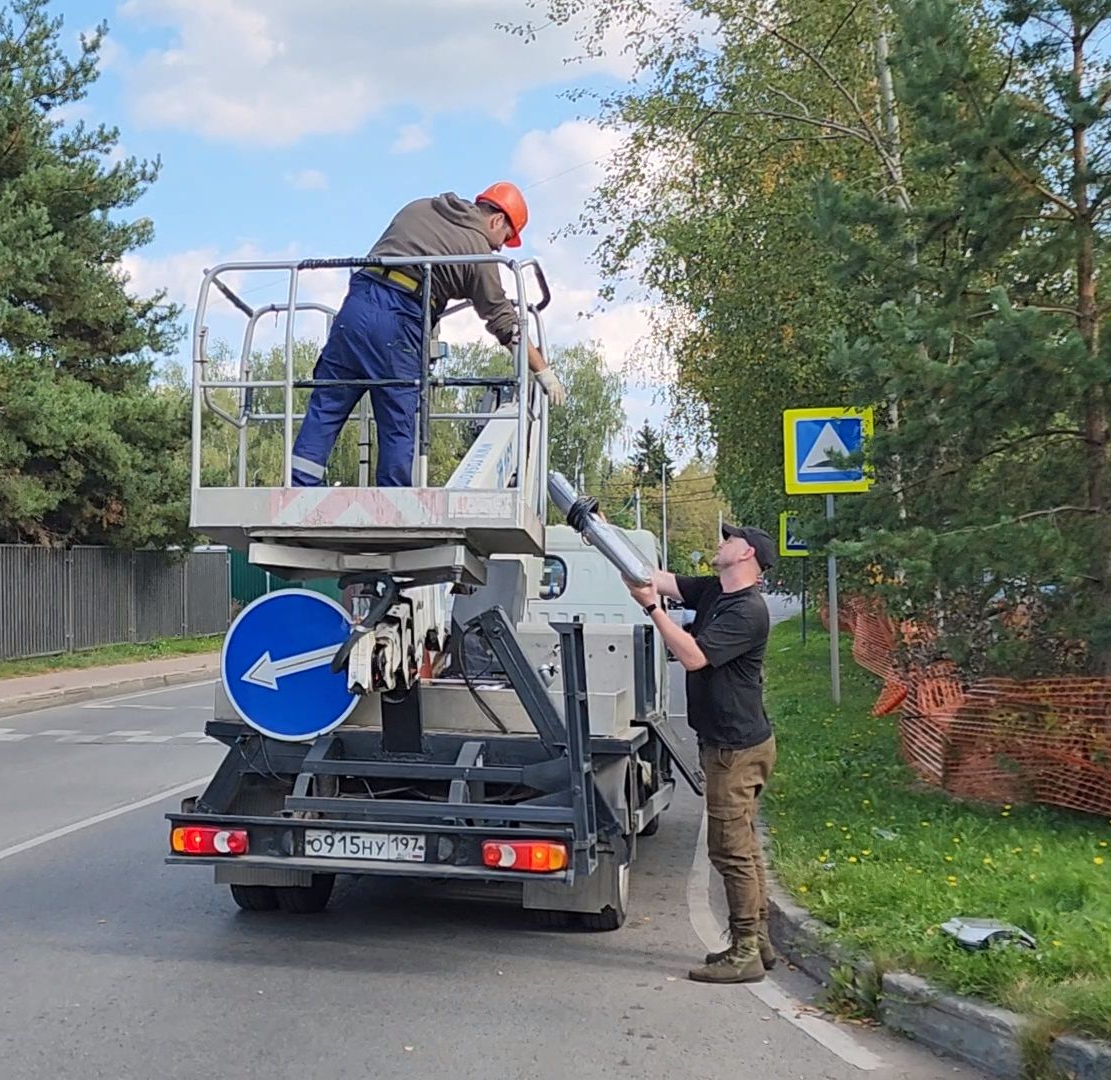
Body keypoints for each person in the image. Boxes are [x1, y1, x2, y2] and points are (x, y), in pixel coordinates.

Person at [287, 182, 567, 488]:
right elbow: (504, 321)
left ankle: (300, 488)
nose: (500, 246)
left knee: (327, 403)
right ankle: (391, 507)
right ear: (497, 220)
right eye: (506, 237)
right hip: (400, 319)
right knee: (398, 419)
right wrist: (543, 370)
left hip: (356, 306)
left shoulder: (420, 207)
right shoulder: (479, 253)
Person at [630, 522, 778, 983]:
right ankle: (760, 941)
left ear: (747, 553)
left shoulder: (749, 611)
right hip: (728, 742)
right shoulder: (716, 591)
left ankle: (746, 950)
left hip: (736, 748)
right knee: (746, 848)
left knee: (730, 850)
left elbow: (694, 657)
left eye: (729, 539)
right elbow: (659, 578)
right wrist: (613, 551)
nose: (721, 542)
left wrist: (653, 609)